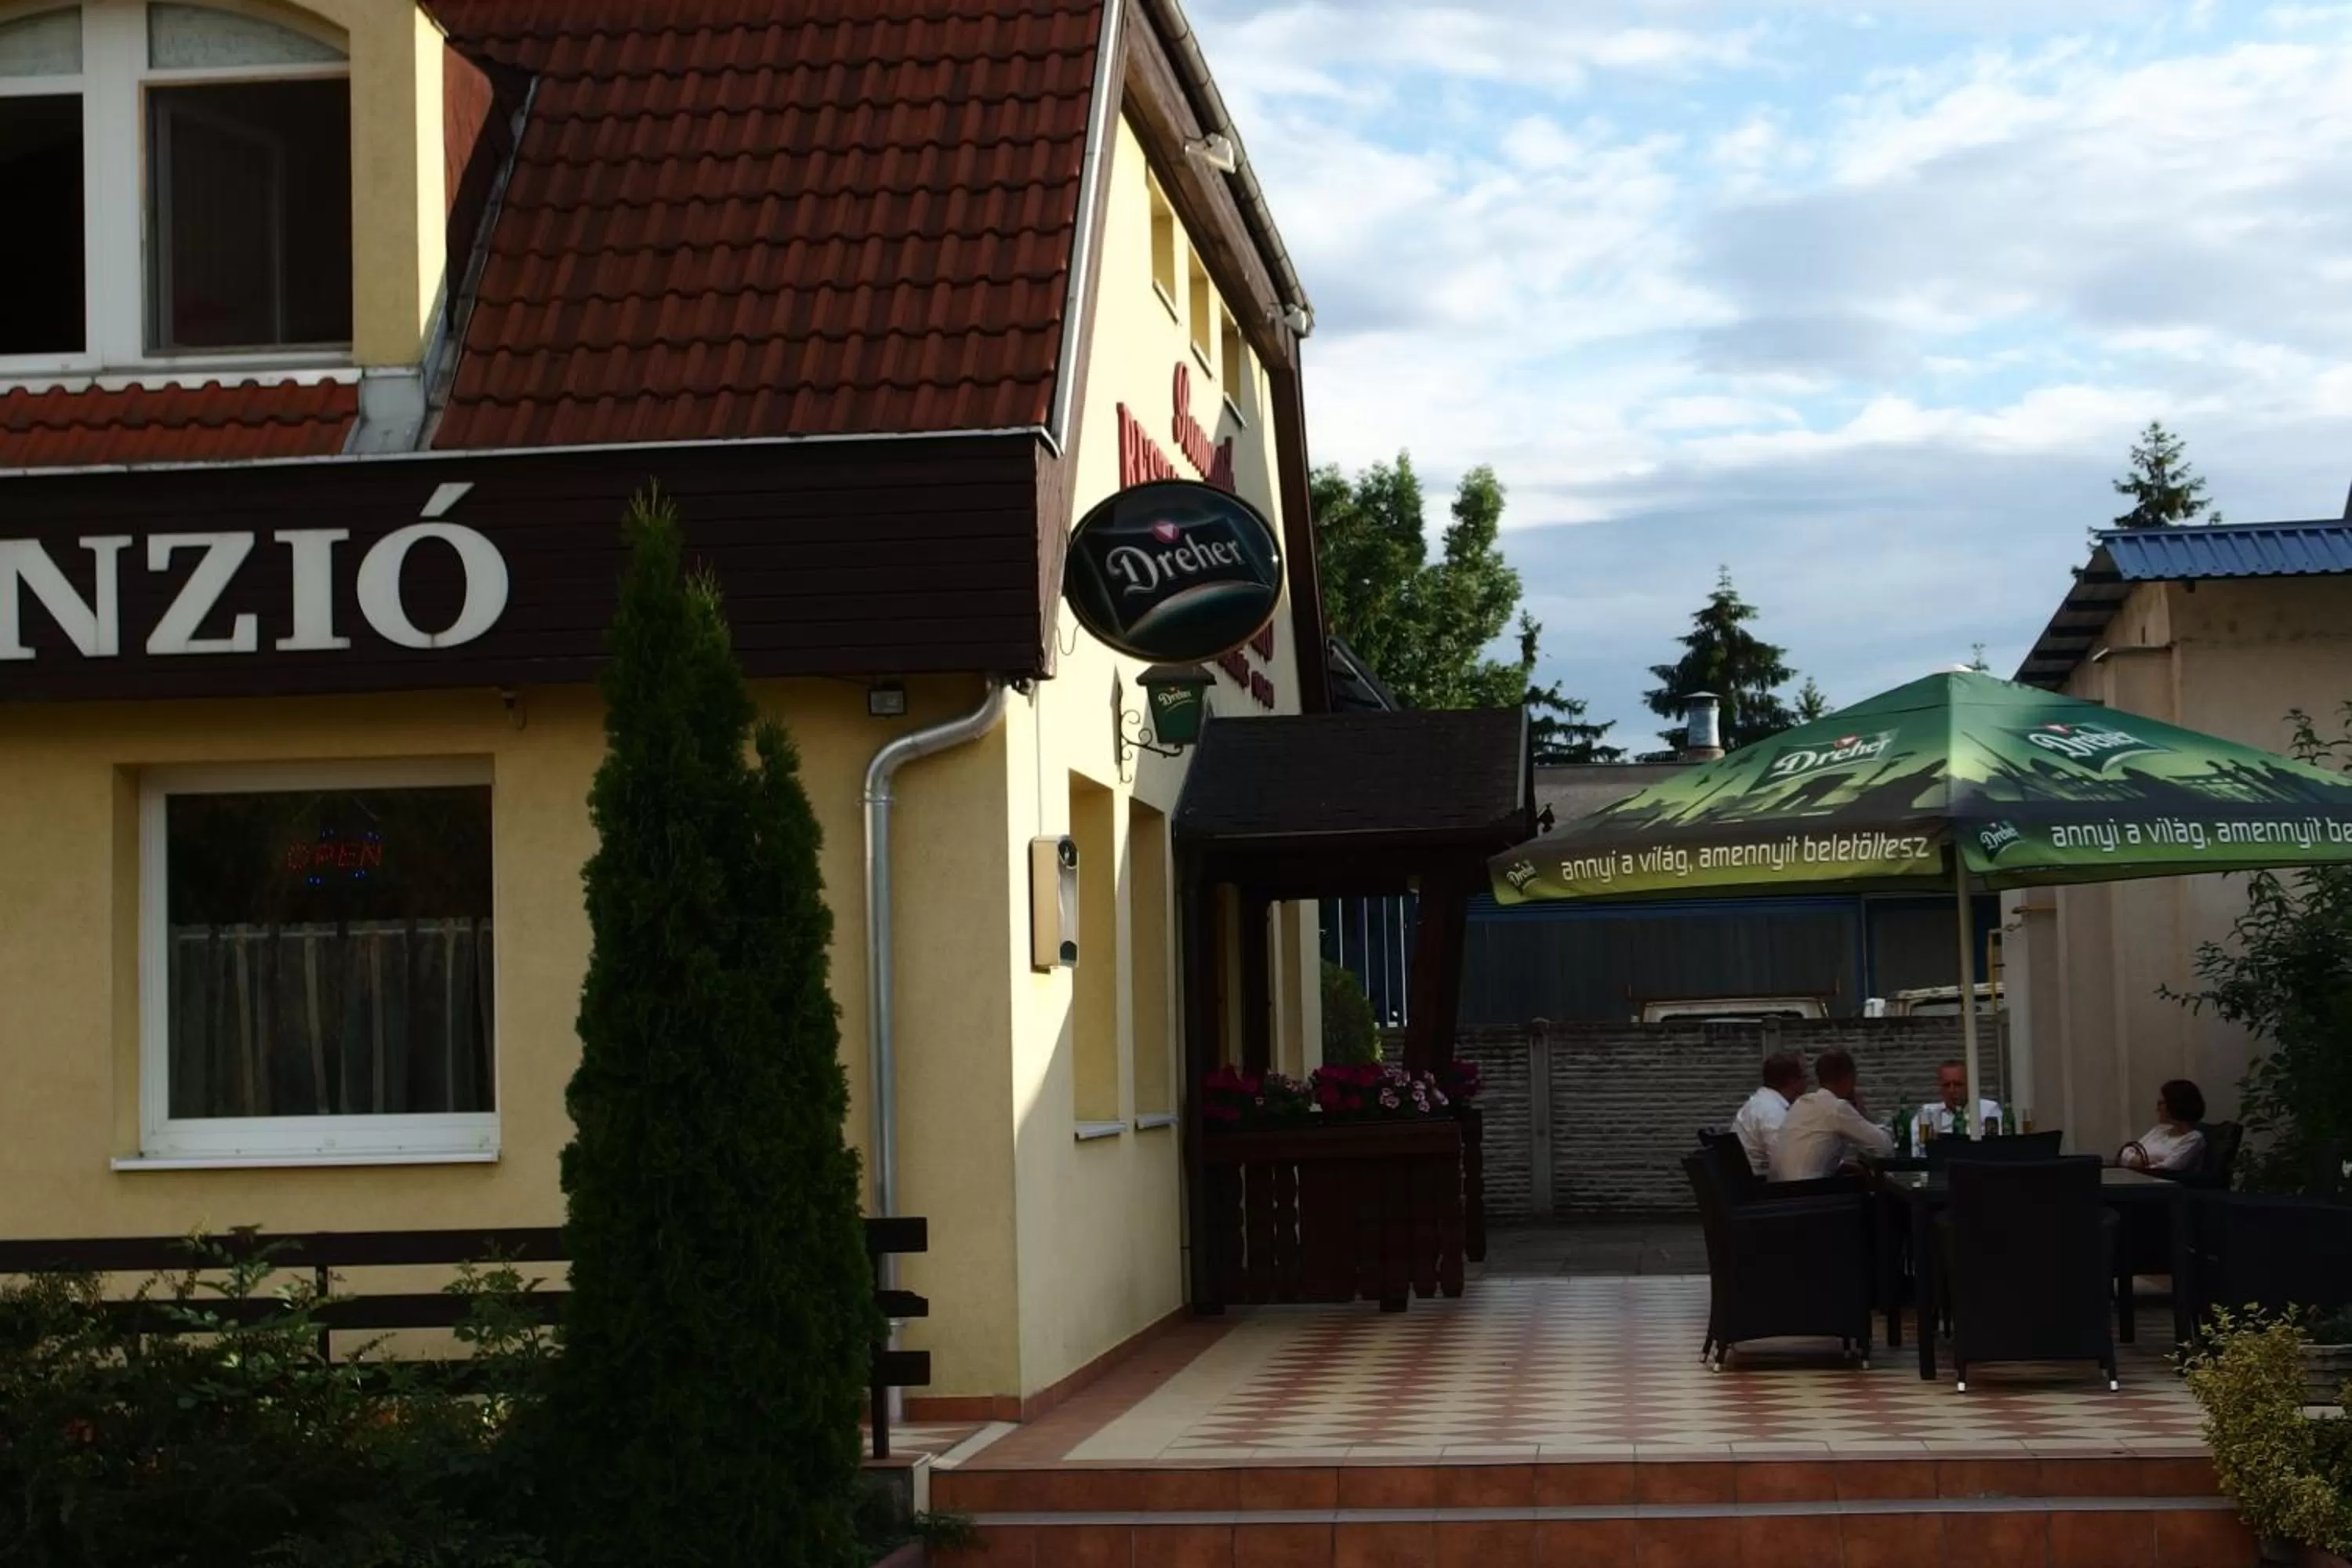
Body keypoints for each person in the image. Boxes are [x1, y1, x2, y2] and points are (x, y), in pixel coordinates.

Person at [1771, 1049, 1896, 1182]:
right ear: (1850, 1078)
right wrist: (1863, 1115)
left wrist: (1842, 1165)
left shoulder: (1801, 1103)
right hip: (1806, 1196)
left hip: (1780, 1193)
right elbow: (1884, 1146)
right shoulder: (1836, 1107)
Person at [1731, 1052, 1805, 1175]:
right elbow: (1785, 1162)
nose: (1807, 1083)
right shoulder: (1771, 1111)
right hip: (1761, 1187)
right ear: (1793, 1080)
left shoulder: (1759, 1103)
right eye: (1805, 1077)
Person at [2118, 1080, 2208, 1173]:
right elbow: (2125, 1153)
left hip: (2163, 1185)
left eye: (2160, 1103)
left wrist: (2137, 1161)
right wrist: (2147, 1162)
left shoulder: (2193, 1138)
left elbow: (2165, 1169)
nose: (2157, 1109)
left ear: (2175, 1104)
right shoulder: (2159, 1130)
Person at [1912, 1059, 2004, 1145]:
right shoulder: (1927, 1112)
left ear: (1970, 1085)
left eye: (1958, 1084)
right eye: (1946, 1085)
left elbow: (1994, 1143)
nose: (1952, 1090)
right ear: (1940, 1088)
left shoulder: (1988, 1110)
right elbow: (1916, 1144)